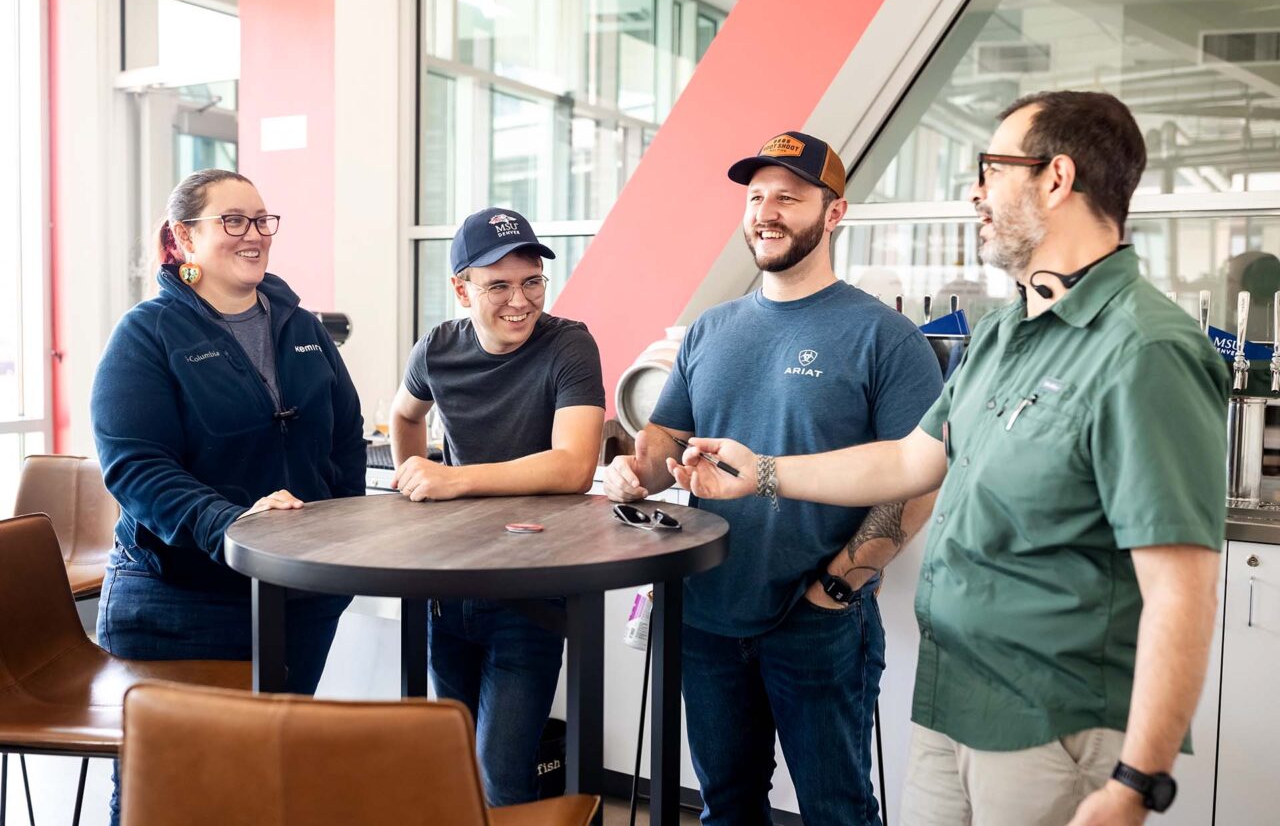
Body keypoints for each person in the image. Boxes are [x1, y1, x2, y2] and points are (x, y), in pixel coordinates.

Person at [666, 93, 1228, 826]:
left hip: (1046, 718)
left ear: (1057, 179)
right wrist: (762, 472)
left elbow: (1183, 590)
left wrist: (1135, 780)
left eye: (992, 168)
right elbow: (908, 460)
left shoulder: (1146, 349)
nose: (975, 191)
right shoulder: (1004, 335)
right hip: (951, 699)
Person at [604, 132, 943, 825]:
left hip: (816, 620)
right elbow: (666, 435)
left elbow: (917, 481)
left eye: (789, 196)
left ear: (835, 213)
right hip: (704, 614)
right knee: (727, 805)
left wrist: (839, 584)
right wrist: (631, 467)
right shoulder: (710, 329)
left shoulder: (884, 337)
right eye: (756, 196)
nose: (766, 211)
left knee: (837, 810)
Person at [92, 168, 364, 824]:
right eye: (233, 220)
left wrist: (337, 536)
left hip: (298, 597)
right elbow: (135, 465)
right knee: (174, 794)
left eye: (262, 219)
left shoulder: (303, 325)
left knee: (268, 783)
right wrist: (233, 524)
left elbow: (346, 437)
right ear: (184, 237)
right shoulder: (147, 335)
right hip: (181, 599)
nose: (253, 234)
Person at [388, 206, 604, 806]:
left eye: (532, 281)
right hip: (447, 585)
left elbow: (573, 466)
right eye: (499, 285)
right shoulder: (437, 348)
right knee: (452, 767)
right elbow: (404, 414)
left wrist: (454, 480)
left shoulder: (570, 345)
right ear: (462, 288)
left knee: (502, 775)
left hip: (530, 591)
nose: (521, 300)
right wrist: (415, 480)